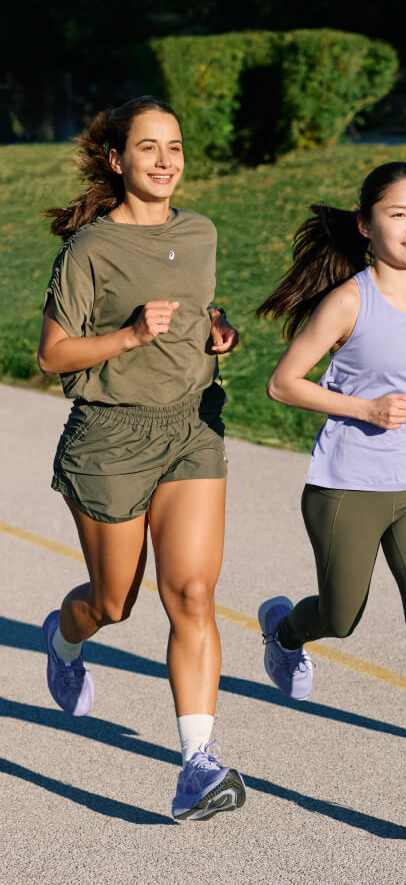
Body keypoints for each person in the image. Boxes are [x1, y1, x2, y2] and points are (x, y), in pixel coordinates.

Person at [255, 162, 406, 834]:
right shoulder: (349, 301)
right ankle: (284, 628)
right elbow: (283, 383)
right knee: (342, 614)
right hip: (345, 487)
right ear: (367, 225)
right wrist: (363, 406)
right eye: (398, 214)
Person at [37, 96, 246, 821]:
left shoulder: (200, 231)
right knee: (113, 602)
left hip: (191, 427)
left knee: (189, 592)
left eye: (176, 147)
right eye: (149, 148)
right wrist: (126, 337)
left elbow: (201, 310)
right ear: (118, 160)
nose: (166, 160)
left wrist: (221, 331)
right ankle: (63, 638)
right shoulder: (89, 248)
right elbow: (52, 354)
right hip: (110, 440)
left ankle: (198, 765)